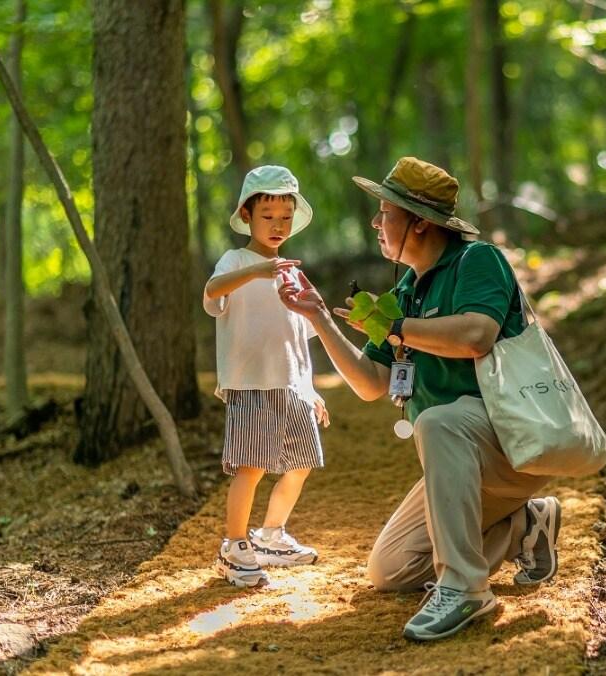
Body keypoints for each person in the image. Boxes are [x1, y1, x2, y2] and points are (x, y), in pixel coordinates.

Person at [279, 157, 562, 641]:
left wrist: (395, 329)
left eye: (384, 211)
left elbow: (477, 334)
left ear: (419, 222)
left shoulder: (478, 260)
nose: (375, 223)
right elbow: (372, 383)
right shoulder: (406, 290)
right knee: (390, 569)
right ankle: (526, 526)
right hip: (462, 463)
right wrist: (319, 318)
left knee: (438, 421)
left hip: (517, 445)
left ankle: (466, 587)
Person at [203, 165, 330, 588]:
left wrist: (311, 389)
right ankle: (234, 546)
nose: (277, 225)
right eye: (268, 216)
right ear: (247, 216)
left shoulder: (292, 270)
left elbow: (301, 335)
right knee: (252, 465)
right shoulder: (236, 261)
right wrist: (256, 271)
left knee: (301, 462)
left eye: (285, 217)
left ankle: (271, 535)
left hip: (292, 382)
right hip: (250, 381)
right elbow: (213, 291)